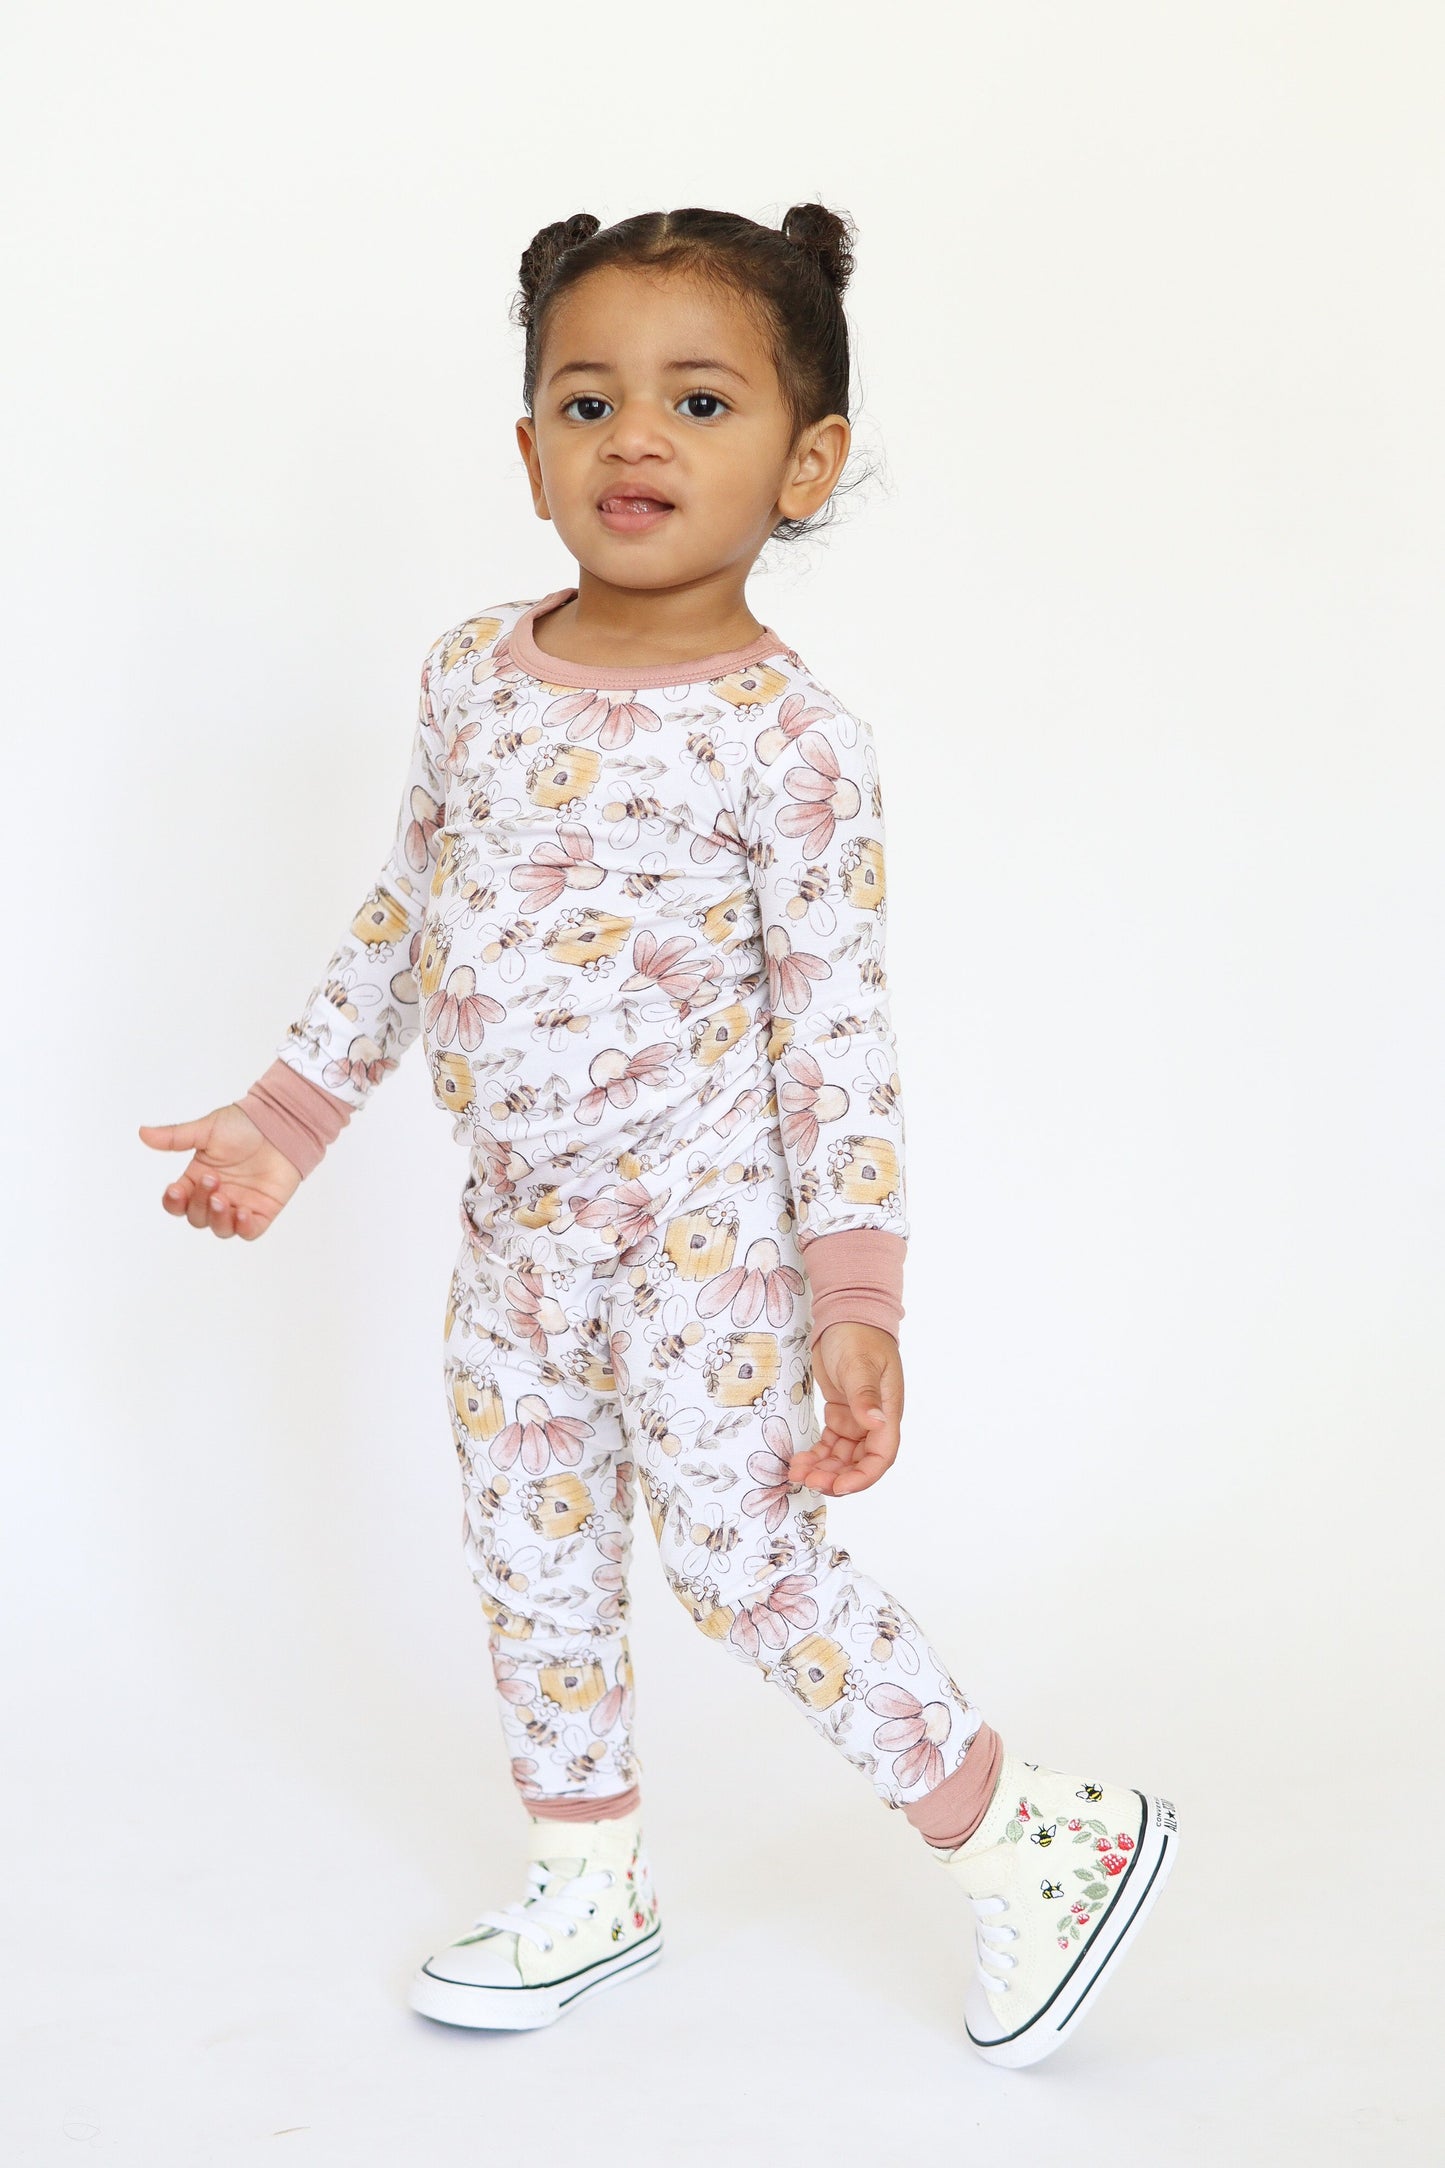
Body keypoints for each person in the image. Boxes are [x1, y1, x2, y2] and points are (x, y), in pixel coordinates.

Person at [138, 204, 1177, 2067]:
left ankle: (1031, 1834)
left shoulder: (791, 741)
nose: (635, 436)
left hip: (709, 1245)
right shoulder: (472, 670)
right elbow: (409, 915)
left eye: (699, 402)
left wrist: (854, 1296)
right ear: (527, 446)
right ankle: (584, 1879)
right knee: (529, 1550)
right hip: (515, 1238)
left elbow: (836, 1033)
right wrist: (286, 1119)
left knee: (741, 1558)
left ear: (807, 462)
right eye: (586, 398)